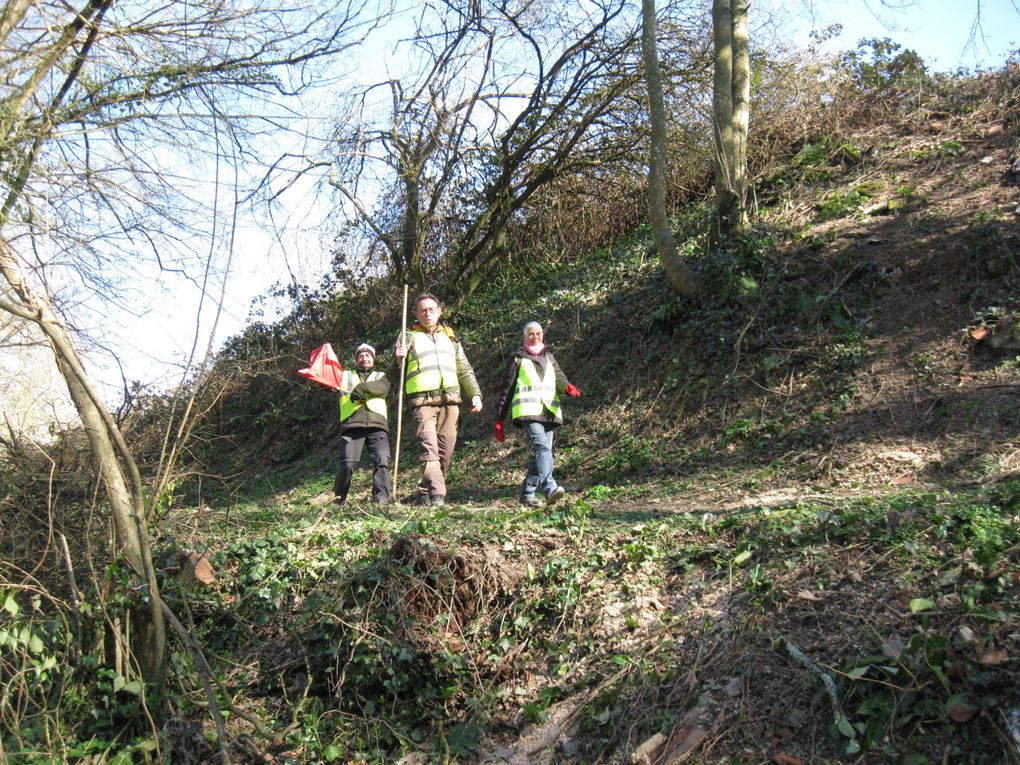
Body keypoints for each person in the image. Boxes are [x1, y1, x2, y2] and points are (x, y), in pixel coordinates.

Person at [389, 292, 483, 506]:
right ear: (415, 313)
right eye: (423, 310)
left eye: (432, 309)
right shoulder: (408, 336)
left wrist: (475, 394)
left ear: (440, 311)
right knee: (428, 450)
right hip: (422, 404)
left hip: (451, 402)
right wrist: (397, 359)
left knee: (445, 454)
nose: (427, 313)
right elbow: (394, 376)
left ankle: (424, 492)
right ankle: (438, 497)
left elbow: (464, 368)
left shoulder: (450, 336)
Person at [493, 320, 580, 507]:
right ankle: (550, 488)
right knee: (542, 447)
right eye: (531, 334)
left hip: (549, 411)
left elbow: (559, 377)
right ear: (525, 336)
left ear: (543, 335)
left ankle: (527, 493)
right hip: (527, 411)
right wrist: (499, 418)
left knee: (542, 453)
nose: (535, 337)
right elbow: (506, 389)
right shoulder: (517, 357)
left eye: (538, 333)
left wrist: (567, 388)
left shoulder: (549, 356)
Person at [334, 343, 392, 505]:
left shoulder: (381, 375)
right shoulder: (344, 376)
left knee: (382, 461)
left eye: (368, 356)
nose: (364, 358)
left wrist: (361, 388)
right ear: (356, 359)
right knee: (347, 464)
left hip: (377, 425)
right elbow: (329, 384)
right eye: (361, 356)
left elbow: (383, 388)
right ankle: (339, 496)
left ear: (373, 359)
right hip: (352, 425)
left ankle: (381, 498)